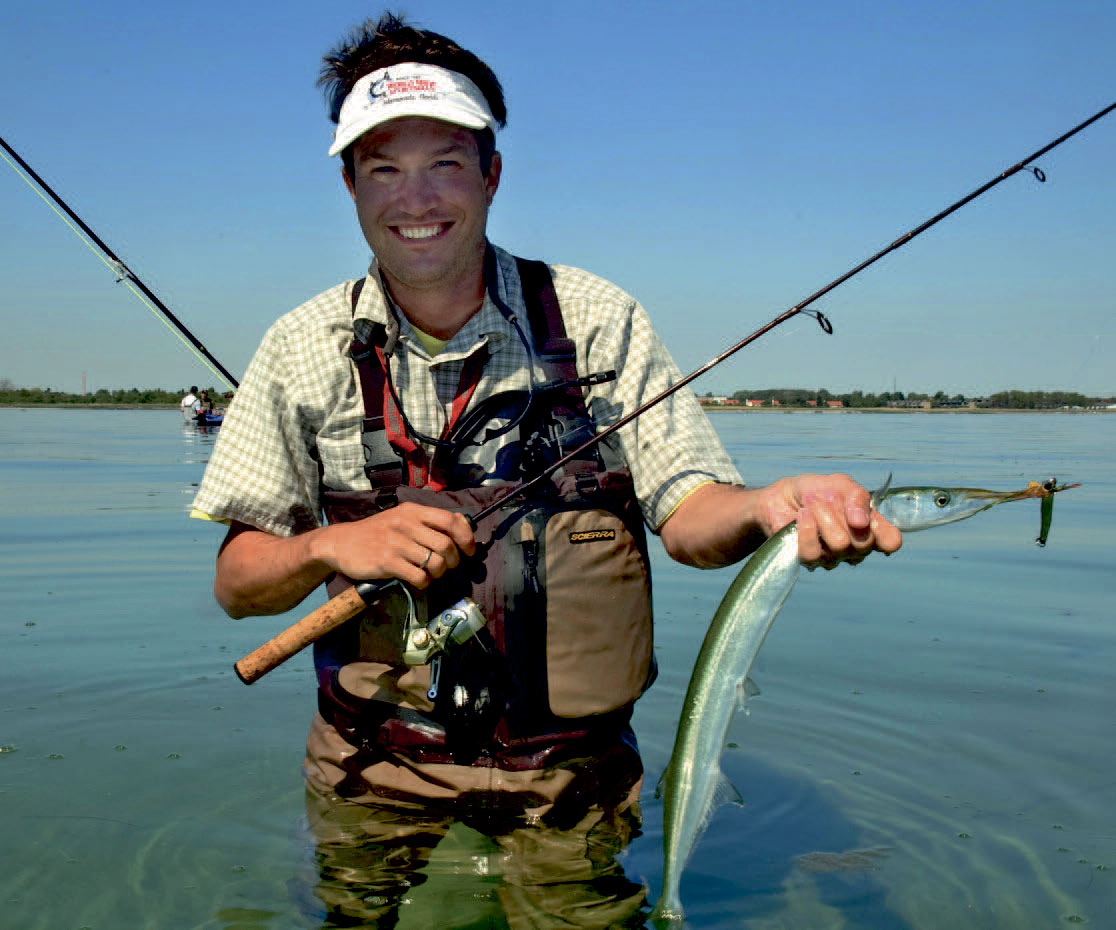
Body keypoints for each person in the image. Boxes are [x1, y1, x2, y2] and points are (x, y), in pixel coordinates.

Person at [191, 12, 901, 924]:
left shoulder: (599, 318)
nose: (416, 199)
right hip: (372, 769)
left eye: (446, 162)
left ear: (493, 171)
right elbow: (239, 586)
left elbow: (689, 514)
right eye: (383, 169)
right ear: (349, 185)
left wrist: (769, 506)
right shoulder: (298, 348)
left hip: (574, 777)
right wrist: (338, 544)